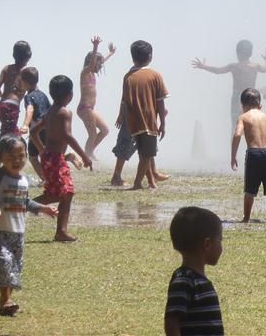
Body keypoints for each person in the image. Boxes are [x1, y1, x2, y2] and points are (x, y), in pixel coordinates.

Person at [0, 136, 58, 316]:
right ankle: (7, 300)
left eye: (21, 156)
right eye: (11, 158)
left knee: (14, 265)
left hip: (18, 232)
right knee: (4, 262)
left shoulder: (24, 179)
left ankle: (4, 302)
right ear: (1, 157)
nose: (17, 161)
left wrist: (44, 209)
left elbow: (26, 202)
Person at [31, 75, 93, 242]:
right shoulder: (65, 112)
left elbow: (32, 132)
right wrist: (84, 156)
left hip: (50, 157)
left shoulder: (49, 112)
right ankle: (26, 204)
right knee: (61, 193)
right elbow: (67, 135)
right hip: (56, 159)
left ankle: (61, 232)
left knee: (66, 193)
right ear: (70, 95)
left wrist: (42, 150)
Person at [165, 206, 224, 336]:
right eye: (220, 239)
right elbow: (171, 322)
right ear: (207, 244)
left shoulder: (198, 280)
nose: (222, 246)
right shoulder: (184, 280)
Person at [118, 40, 169, 190]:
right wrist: (163, 123)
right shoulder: (155, 75)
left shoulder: (128, 77)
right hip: (148, 121)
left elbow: (124, 102)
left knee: (143, 153)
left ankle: (152, 182)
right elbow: (160, 102)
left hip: (133, 122)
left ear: (133, 58)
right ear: (150, 56)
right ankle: (137, 183)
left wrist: (121, 117)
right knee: (147, 155)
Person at [192, 40, 266, 133]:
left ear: (237, 53)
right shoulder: (255, 66)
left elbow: (218, 71)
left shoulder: (234, 66)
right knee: (251, 124)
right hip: (251, 96)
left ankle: (235, 145)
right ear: (250, 53)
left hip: (239, 96)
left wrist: (204, 66)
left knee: (236, 126)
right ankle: (251, 143)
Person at [231, 88, 266, 224]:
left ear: (243, 105)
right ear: (260, 105)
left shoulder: (243, 117)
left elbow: (237, 135)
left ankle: (246, 218)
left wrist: (233, 156)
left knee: (250, 189)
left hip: (253, 154)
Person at [0, 41, 32, 169]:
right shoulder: (26, 71)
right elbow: (31, 87)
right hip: (12, 107)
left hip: (1, 106)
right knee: (6, 139)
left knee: (11, 135)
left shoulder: (6, 68)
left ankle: (7, 167)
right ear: (28, 56)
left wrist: (5, 97)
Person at [77, 36, 116, 160]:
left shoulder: (92, 73)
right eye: (96, 62)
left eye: (100, 63)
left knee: (104, 130)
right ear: (90, 62)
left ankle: (89, 152)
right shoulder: (85, 72)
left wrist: (111, 52)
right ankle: (87, 156)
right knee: (92, 134)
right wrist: (95, 46)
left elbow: (101, 61)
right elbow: (94, 62)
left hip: (90, 109)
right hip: (84, 108)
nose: (99, 65)